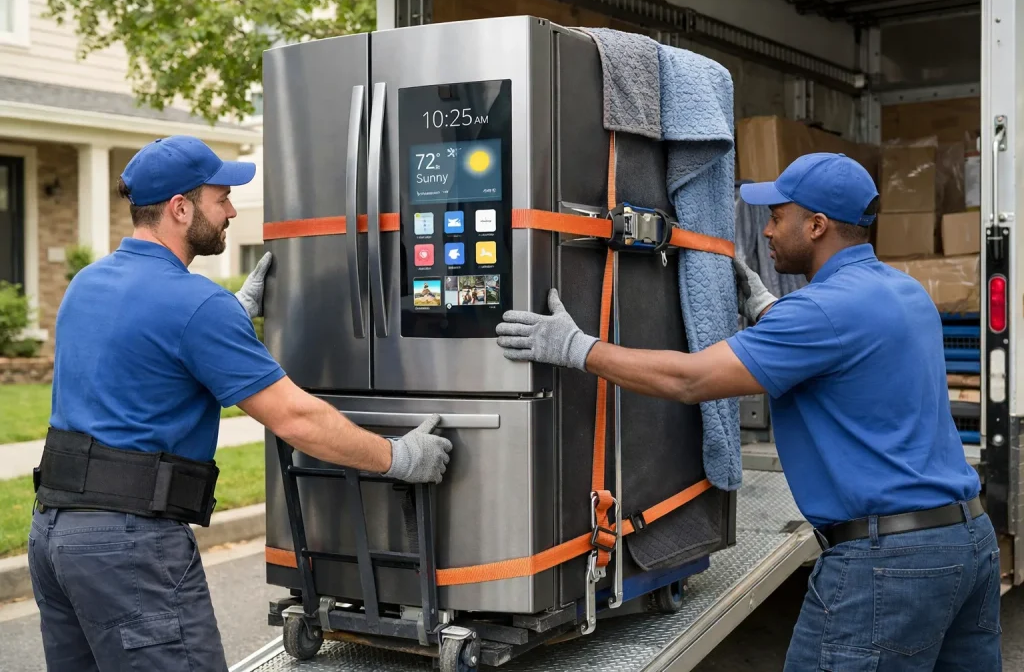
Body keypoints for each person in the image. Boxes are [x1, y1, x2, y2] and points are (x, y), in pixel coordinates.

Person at [495, 153, 1000, 671]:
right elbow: (839, 348)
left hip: (887, 565)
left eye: (777, 217)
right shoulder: (904, 292)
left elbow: (690, 380)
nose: (766, 232)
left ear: (817, 226)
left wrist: (576, 347)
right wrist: (764, 306)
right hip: (968, 543)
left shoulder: (820, 312)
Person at [28, 135, 453, 671]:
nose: (231, 211)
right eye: (220, 198)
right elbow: (296, 417)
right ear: (180, 209)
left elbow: (144, 362)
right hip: (129, 549)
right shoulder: (195, 305)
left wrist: (226, 315)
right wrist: (399, 457)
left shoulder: (86, 284)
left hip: (53, 536)